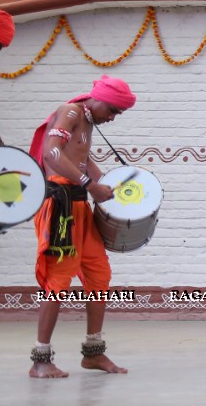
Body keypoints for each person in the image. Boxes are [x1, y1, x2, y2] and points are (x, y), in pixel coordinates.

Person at [27, 75, 137, 378]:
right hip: (60, 208)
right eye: (113, 111)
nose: (113, 118)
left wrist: (113, 189)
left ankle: (93, 353)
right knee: (58, 282)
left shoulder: (87, 121)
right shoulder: (71, 112)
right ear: (98, 99)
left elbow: (82, 160)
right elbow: (52, 153)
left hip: (80, 207)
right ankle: (41, 358)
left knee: (99, 273)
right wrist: (90, 185)